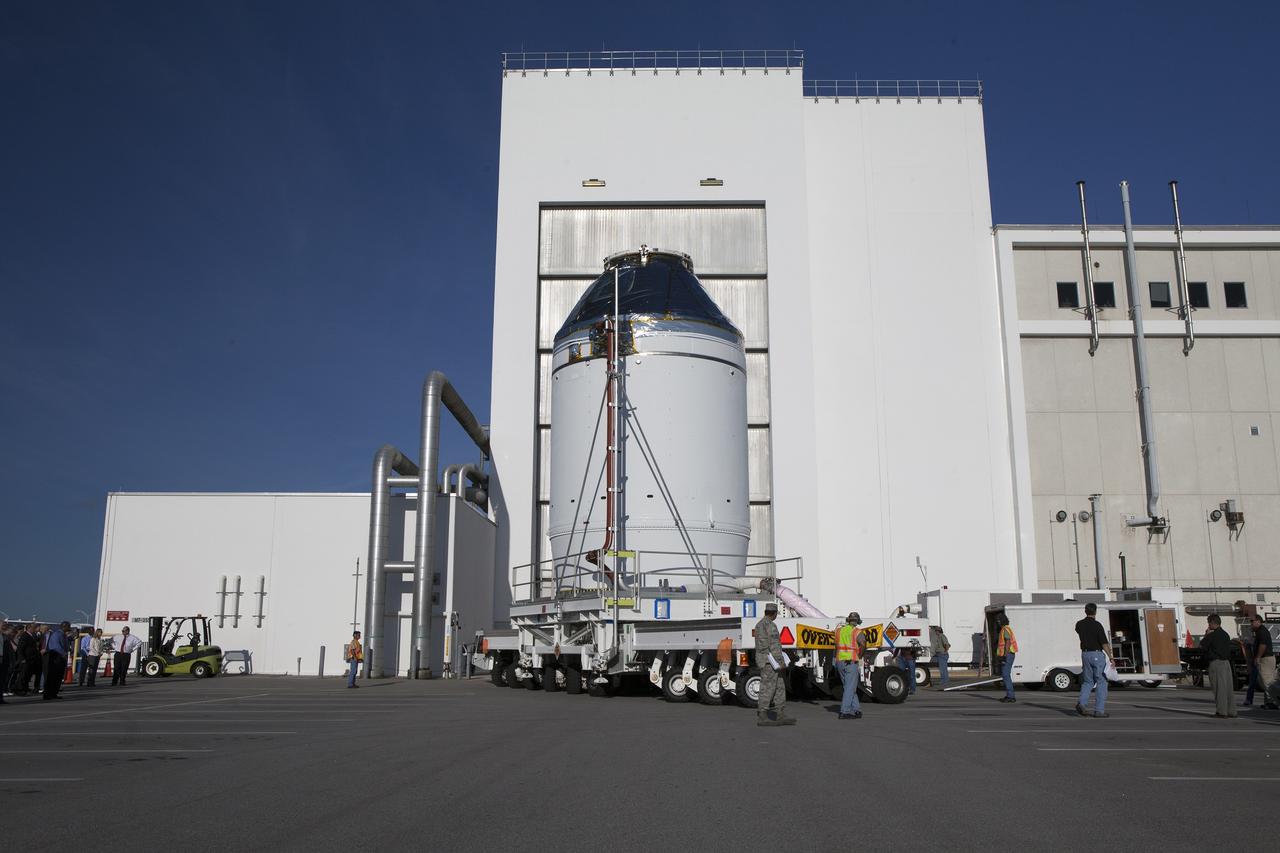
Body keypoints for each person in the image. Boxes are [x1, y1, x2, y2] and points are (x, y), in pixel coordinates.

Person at [754, 602, 795, 726]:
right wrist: (781, 662)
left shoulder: (759, 625)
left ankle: (780, 714)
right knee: (769, 687)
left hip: (765, 661)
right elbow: (774, 646)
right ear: (774, 613)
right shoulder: (770, 626)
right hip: (770, 662)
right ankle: (763, 715)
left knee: (778, 686)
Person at [1074, 603, 1113, 718]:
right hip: (1096, 654)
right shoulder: (1097, 625)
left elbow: (1078, 631)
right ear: (1095, 612)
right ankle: (1099, 710)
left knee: (1088, 681)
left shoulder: (1079, 624)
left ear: (1085, 611)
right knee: (1101, 681)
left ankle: (1082, 703)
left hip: (1085, 654)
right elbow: (1104, 643)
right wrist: (1111, 657)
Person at [1200, 614, 1236, 718]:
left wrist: (1206, 634)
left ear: (1212, 623)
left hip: (1216, 663)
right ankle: (1231, 711)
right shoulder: (1225, 634)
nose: (1208, 625)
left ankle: (1221, 711)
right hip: (1226, 663)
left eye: (1209, 623)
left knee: (1219, 688)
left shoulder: (1212, 635)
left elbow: (1202, 645)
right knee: (1228, 688)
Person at [834, 612, 864, 720]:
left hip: (840, 661)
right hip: (851, 662)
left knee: (849, 687)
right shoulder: (857, 632)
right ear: (857, 621)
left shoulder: (839, 631)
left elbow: (836, 646)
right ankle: (844, 712)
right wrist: (860, 655)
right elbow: (863, 644)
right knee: (849, 688)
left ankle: (857, 710)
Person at [1246, 615, 1277, 710]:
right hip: (1266, 658)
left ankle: (1272, 702)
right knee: (1264, 681)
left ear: (1258, 621)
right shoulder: (1259, 631)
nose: (1251, 623)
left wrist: (1258, 657)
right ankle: (1268, 702)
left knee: (1267, 682)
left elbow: (1263, 645)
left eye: (1252, 621)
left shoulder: (1262, 632)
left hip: (1265, 659)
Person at [43, 621, 70, 701]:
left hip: (61, 658)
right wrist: (63, 653)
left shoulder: (64, 635)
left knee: (58, 677)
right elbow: (55, 646)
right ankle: (47, 694)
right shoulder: (57, 634)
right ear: (64, 626)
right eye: (68, 626)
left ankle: (54, 693)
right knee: (52, 676)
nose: (69, 628)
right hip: (56, 657)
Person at [996, 614, 1017, 703]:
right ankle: (1010, 695)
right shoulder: (1006, 628)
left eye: (998, 620)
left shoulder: (1005, 629)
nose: (997, 621)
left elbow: (1007, 642)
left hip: (1008, 655)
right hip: (1009, 655)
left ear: (1002, 620)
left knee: (1006, 675)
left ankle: (1010, 696)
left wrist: (1005, 655)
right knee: (1006, 675)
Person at [17, 624, 40, 695]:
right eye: (33, 628)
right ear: (29, 628)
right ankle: (20, 689)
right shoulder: (25, 636)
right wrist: (22, 658)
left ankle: (25, 688)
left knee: (27, 675)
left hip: (31, 659)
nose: (35, 629)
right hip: (26, 658)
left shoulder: (32, 636)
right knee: (23, 675)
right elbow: (20, 648)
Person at [0, 622, 13, 704]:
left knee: (2, 679)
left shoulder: (5, 636)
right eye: (2, 625)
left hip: (4, 658)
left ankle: (0, 698)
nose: (4, 627)